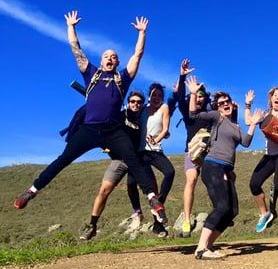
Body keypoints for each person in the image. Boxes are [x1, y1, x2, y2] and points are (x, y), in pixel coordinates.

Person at [14, 11, 166, 225]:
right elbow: (76, 48)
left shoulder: (122, 79)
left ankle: (152, 198)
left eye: (114, 56)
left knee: (132, 159)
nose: (110, 58)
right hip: (89, 130)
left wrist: (142, 33)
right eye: (106, 56)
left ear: (117, 61)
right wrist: (71, 27)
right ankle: (31, 191)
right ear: (101, 60)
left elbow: (138, 55)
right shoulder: (91, 74)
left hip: (113, 131)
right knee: (63, 159)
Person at [186, 77, 262, 260]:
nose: (225, 104)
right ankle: (201, 249)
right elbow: (193, 115)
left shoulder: (235, 126)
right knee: (221, 207)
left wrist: (252, 122)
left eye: (227, 101)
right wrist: (194, 93)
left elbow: (245, 142)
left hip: (227, 170)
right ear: (218, 107)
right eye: (221, 103)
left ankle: (208, 246)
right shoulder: (216, 117)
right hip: (212, 166)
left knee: (232, 211)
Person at [79, 90, 157, 240]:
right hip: (119, 160)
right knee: (104, 190)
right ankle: (92, 226)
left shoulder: (144, 118)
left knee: (147, 188)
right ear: (128, 103)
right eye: (133, 101)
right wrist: (106, 146)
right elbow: (104, 128)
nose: (136, 104)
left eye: (139, 102)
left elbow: (158, 124)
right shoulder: (120, 116)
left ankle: (154, 221)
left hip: (137, 160)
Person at [168, 59, 212, 237]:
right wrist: (182, 76)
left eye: (202, 96)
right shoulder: (187, 113)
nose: (199, 98)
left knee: (217, 180)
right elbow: (179, 97)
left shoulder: (210, 114)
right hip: (191, 152)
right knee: (191, 180)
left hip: (209, 152)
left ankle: (222, 212)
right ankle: (186, 220)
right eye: (196, 95)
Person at [244, 87, 278, 233]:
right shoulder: (265, 114)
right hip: (269, 156)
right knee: (254, 184)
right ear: (271, 99)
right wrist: (248, 105)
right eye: (275, 95)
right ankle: (265, 214)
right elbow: (249, 121)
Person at [136, 83, 175, 237]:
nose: (157, 97)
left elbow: (165, 129)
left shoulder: (164, 108)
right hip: (141, 152)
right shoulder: (142, 109)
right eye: (154, 94)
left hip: (155, 150)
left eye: (159, 95)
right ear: (149, 95)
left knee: (170, 172)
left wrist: (156, 140)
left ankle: (158, 204)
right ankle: (157, 225)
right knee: (150, 187)